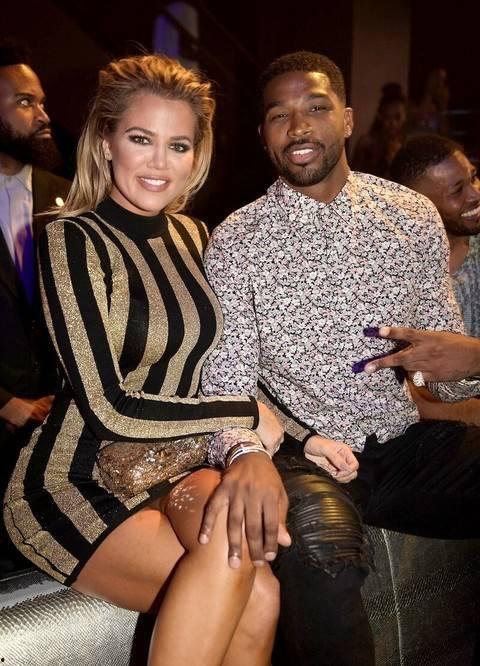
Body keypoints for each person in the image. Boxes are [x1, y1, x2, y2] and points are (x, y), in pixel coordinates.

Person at [3, 53, 291, 666]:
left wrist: (304, 434)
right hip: (75, 482)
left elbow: (226, 364)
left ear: (196, 154)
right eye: (141, 139)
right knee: (251, 590)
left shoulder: (195, 235)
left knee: (263, 594)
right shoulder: (71, 238)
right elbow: (108, 407)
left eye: (178, 145)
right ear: (106, 141)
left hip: (175, 469)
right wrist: (244, 414)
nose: (160, 163)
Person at [201, 50, 480, 666]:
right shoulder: (238, 240)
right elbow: (225, 385)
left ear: (348, 119)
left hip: (406, 446)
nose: (299, 127)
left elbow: (448, 379)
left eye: (316, 108)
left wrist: (471, 360)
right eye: (279, 115)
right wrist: (245, 452)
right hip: (306, 457)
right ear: (263, 135)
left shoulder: (411, 216)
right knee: (320, 556)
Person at [0, 40, 69, 572]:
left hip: (62, 432)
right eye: (26, 102)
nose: (43, 115)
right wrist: (5, 403)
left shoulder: (71, 195)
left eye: (41, 101)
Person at [391, 134, 480, 336]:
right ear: (417, 205)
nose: (475, 194)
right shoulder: (395, 268)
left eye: (473, 178)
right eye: (457, 191)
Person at [351, 82, 407, 178]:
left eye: (397, 117)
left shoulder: (409, 144)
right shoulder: (366, 145)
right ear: (380, 117)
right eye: (387, 117)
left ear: (405, 117)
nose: (393, 123)